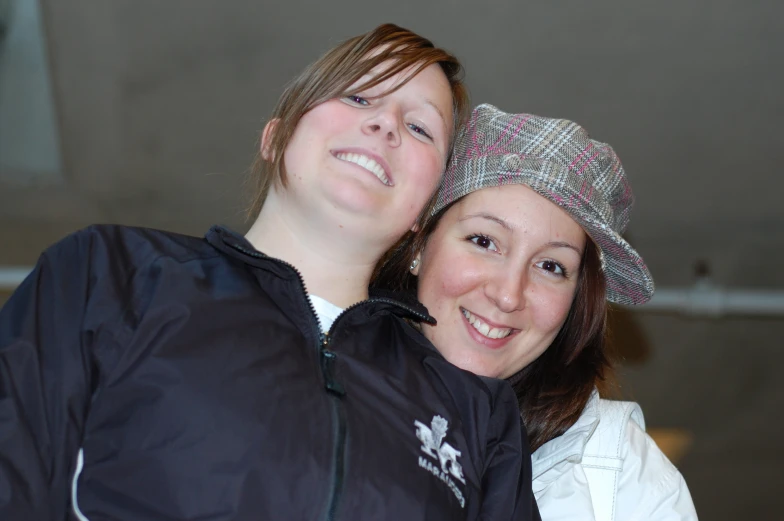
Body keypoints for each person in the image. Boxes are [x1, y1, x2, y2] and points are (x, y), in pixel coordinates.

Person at [0, 29, 540, 520]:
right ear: (275, 136)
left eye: (420, 127)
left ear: (424, 214)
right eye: (358, 97)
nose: (385, 124)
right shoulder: (110, 275)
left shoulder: (475, 412)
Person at [374, 103, 698, 520]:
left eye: (551, 266)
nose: (509, 295)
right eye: (484, 241)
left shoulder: (624, 475)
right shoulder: (315, 383)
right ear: (419, 246)